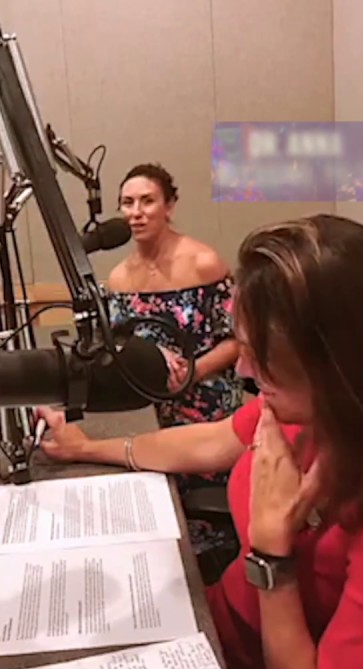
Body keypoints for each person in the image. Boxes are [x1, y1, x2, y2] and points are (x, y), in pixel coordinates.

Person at [39, 214, 363, 669]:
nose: (242, 370)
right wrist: (88, 449)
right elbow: (210, 441)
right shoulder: (304, 411)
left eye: (259, 356)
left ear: (334, 364)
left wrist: (273, 558)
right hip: (207, 639)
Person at [106, 162, 243, 580]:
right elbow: (116, 346)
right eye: (127, 203)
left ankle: (221, 585)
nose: (136, 212)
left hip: (207, 403)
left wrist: (192, 372)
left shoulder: (204, 263)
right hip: (149, 406)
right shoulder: (118, 278)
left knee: (213, 517)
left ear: (170, 206)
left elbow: (238, 340)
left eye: (147, 201)